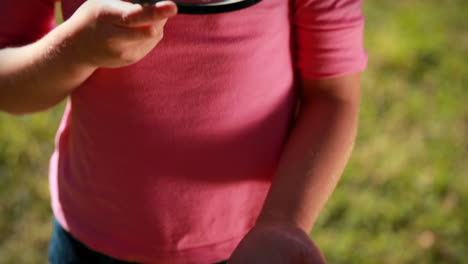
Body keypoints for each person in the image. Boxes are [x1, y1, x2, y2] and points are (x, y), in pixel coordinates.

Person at [0, 0, 367, 263]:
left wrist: (283, 224)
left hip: (250, 247)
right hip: (89, 238)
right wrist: (73, 51)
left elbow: (332, 98)